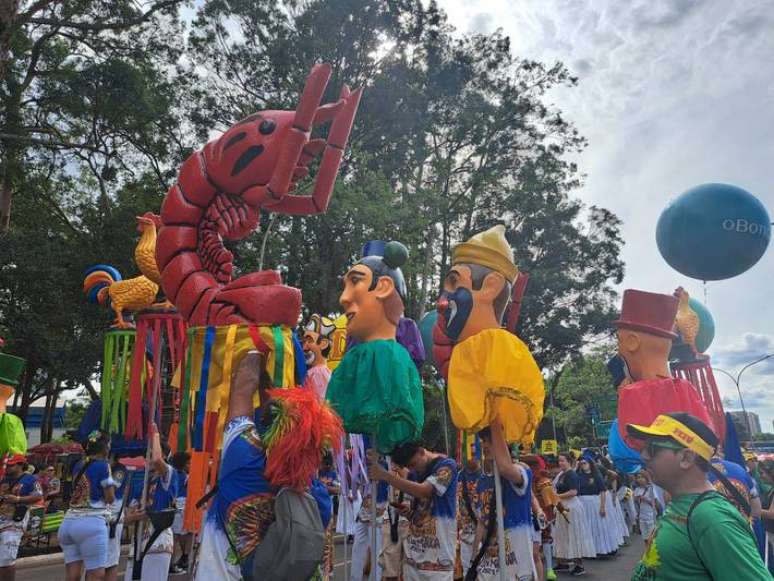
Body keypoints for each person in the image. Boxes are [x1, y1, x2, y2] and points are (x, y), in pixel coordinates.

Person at [627, 412, 771, 580]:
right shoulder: (682, 503)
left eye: (652, 449)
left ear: (686, 458)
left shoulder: (712, 519)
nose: (643, 456)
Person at [367, 441, 458, 580]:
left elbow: (425, 491)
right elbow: (421, 508)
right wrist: (410, 513)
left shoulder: (447, 466)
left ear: (422, 451)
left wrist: (385, 475)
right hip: (413, 560)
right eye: (408, 466)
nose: (412, 469)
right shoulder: (416, 472)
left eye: (413, 464)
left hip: (438, 563)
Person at [470, 424, 535, 581]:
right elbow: (482, 520)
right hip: (490, 559)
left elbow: (505, 469)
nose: (484, 445)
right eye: (483, 440)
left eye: (490, 440)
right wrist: (475, 554)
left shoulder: (521, 471)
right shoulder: (483, 480)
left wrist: (495, 417)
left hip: (517, 562)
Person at [59, 433, 116, 581]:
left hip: (68, 522)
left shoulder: (78, 464)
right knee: (96, 574)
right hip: (91, 523)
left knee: (72, 575)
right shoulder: (104, 465)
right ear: (105, 448)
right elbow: (110, 498)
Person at [124, 428, 177, 581]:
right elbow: (127, 518)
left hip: (158, 542)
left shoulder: (169, 475)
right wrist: (133, 517)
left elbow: (157, 460)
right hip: (138, 542)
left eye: (149, 454)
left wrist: (155, 434)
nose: (147, 459)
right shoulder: (143, 482)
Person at [0, 454, 43, 580]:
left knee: (7, 557)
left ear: (20, 465)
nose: (7, 467)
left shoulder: (30, 480)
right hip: (2, 518)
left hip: (15, 521)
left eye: (11, 465)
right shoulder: (4, 479)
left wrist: (18, 499)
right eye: (7, 465)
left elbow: (38, 495)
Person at [552, 452, 593, 576]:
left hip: (571, 507)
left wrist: (556, 496)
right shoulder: (562, 474)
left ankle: (579, 565)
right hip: (562, 506)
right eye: (559, 461)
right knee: (562, 534)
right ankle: (563, 561)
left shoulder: (572, 475)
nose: (560, 463)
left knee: (573, 535)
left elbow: (573, 492)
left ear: (569, 462)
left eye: (563, 461)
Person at [524, 454, 559, 581]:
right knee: (539, 546)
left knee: (544, 542)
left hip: (542, 515)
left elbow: (551, 500)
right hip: (535, 515)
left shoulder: (543, 480)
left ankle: (549, 569)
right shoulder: (530, 479)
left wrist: (550, 515)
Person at [576, 456, 616, 557]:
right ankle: (588, 550)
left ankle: (600, 549)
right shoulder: (578, 475)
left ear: (590, 464)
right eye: (581, 463)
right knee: (586, 527)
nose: (583, 465)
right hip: (582, 503)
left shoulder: (596, 475)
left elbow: (602, 491)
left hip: (594, 502)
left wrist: (602, 506)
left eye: (585, 463)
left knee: (597, 526)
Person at [379, 462, 410, 581]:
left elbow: (411, 478)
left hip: (409, 519)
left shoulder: (413, 468)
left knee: (409, 565)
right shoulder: (387, 467)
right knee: (389, 565)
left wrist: (402, 472)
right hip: (391, 519)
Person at [106, 455, 130, 581]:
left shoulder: (119, 470)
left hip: (114, 513)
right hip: (104, 514)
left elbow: (112, 490)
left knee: (111, 559)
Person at [457, 457, 481, 577]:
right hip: (465, 535)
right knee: (467, 571)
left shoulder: (487, 477)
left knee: (484, 572)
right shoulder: (457, 477)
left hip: (485, 537)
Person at [169, 451, 191, 574]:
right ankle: (172, 564)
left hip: (175, 506)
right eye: (188, 463)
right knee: (175, 537)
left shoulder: (171, 473)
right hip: (180, 507)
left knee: (175, 537)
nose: (190, 465)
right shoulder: (184, 476)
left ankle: (176, 561)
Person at [633, 471, 658, 539]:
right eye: (638, 477)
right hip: (642, 517)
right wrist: (635, 498)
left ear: (646, 478)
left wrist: (645, 499)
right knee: (645, 538)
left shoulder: (651, 488)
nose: (640, 479)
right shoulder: (637, 489)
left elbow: (655, 503)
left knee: (652, 538)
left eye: (642, 477)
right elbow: (635, 504)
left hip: (651, 517)